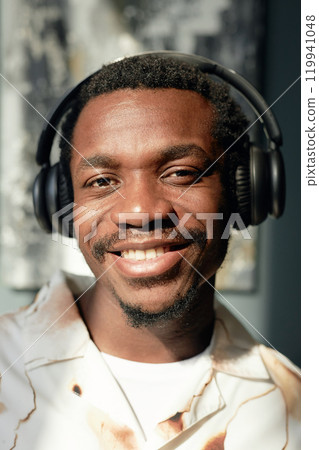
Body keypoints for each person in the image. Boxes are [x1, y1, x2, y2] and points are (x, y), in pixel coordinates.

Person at [0, 54, 300, 449]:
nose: (141, 213)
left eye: (180, 173)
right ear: (62, 204)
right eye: (102, 180)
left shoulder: (297, 410)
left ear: (244, 193)